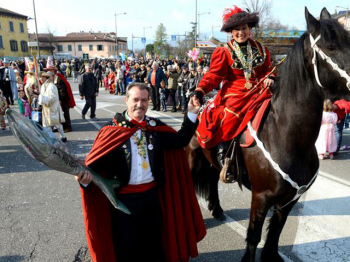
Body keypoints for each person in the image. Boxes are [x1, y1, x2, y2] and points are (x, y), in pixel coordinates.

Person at [75, 82, 206, 262]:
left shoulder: (154, 127)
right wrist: (84, 179)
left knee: (153, 247)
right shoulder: (111, 130)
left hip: (152, 199)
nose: (140, 104)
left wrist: (191, 113)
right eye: (135, 99)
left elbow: (180, 141)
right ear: (126, 100)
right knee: (127, 250)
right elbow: (94, 166)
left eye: (144, 100)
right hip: (123, 202)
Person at [193, 5, 276, 181]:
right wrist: (200, 90)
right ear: (231, 31)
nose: (241, 32)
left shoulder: (262, 49)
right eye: (237, 29)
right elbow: (214, 75)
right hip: (235, 93)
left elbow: (269, 70)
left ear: (250, 29)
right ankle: (226, 158)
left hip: (260, 89)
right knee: (229, 117)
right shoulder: (223, 51)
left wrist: (271, 78)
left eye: (244, 28)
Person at [38, 71, 67, 142]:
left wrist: (45, 100)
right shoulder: (43, 86)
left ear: (45, 78)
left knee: (57, 123)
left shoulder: (51, 86)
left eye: (41, 78)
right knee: (47, 124)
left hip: (52, 108)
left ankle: (63, 136)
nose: (40, 79)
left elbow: (53, 98)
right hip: (46, 108)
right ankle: (51, 138)